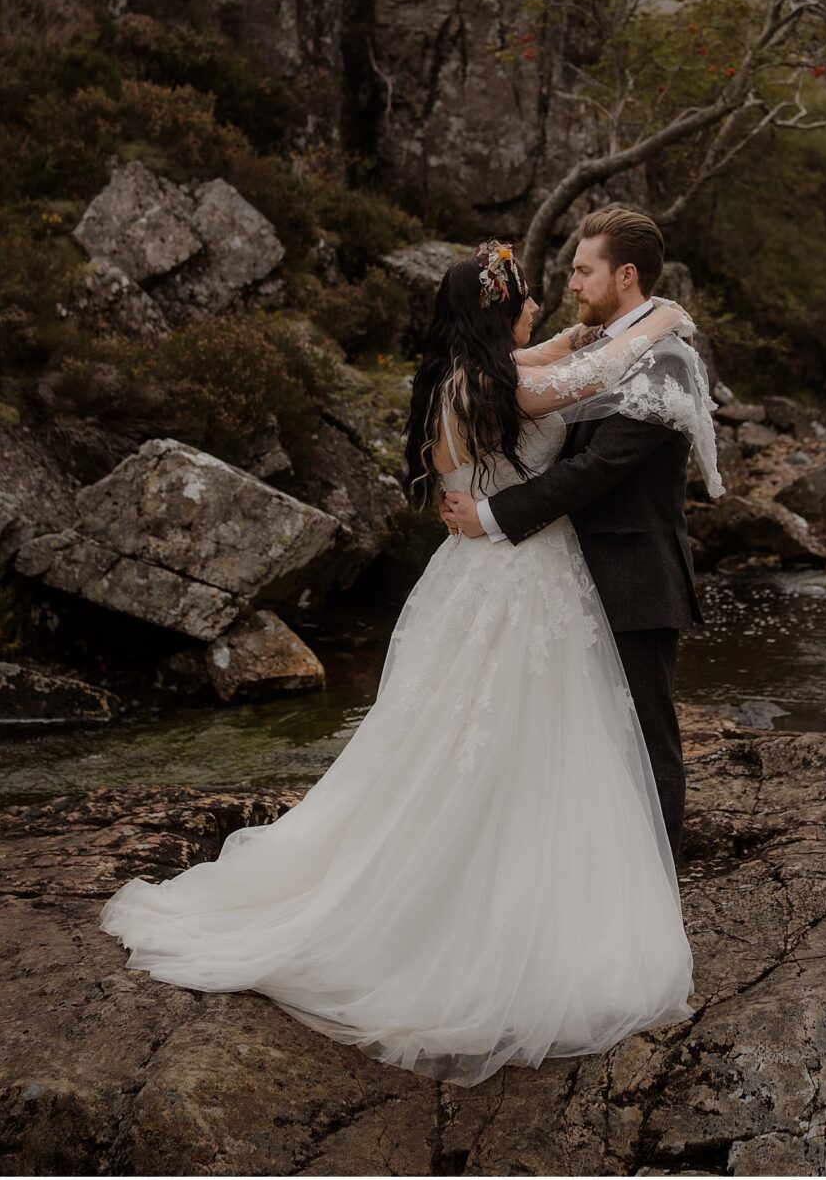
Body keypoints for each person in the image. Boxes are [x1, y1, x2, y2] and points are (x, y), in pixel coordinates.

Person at [98, 237, 715, 1089]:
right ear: (499, 309)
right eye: (527, 295)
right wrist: (661, 325)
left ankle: (504, 885)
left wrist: (591, 334)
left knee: (476, 741)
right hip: (516, 579)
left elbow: (559, 356)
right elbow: (568, 380)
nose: (541, 302)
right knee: (509, 743)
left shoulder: (469, 371)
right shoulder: (502, 385)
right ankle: (483, 913)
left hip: (486, 577)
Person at [442, 207, 706, 858]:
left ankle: (659, 880)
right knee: (581, 740)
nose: (572, 284)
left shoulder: (666, 356)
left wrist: (493, 514)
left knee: (647, 738)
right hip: (568, 576)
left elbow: (600, 467)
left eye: (584, 271)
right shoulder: (600, 343)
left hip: (635, 575)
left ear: (625, 274)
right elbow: (523, 382)